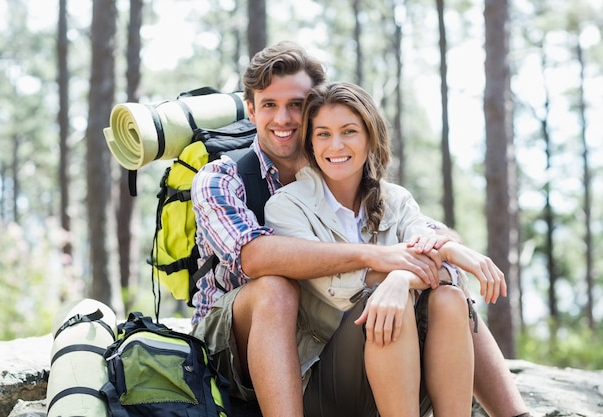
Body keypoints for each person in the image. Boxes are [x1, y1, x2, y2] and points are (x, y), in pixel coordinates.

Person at [190, 40, 530, 417]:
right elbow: (254, 258)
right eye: (270, 105)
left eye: (296, 106)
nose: (283, 119)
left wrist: (444, 251)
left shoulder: (339, 166)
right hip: (232, 344)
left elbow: (429, 233)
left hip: (324, 336)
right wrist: (380, 256)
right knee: (276, 288)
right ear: (251, 110)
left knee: (447, 297)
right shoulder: (222, 177)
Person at [264, 80, 488, 416]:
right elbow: (340, 291)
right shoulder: (286, 206)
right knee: (382, 305)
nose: (335, 145)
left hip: (404, 374)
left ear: (370, 136)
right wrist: (403, 277)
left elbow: (445, 269)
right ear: (310, 142)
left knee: (449, 298)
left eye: (349, 131)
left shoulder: (396, 200)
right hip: (330, 383)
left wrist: (402, 279)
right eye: (323, 134)